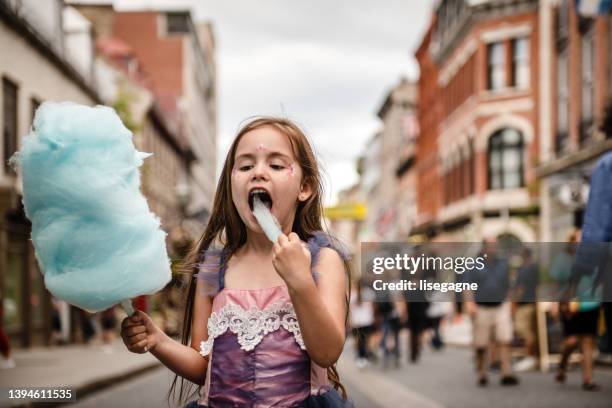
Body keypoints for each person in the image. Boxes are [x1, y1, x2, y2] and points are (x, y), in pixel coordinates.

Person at [120, 117, 353, 407]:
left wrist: (300, 283)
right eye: (245, 166)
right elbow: (203, 364)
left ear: (304, 187)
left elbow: (328, 352)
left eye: (277, 165)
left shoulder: (322, 260)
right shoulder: (212, 268)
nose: (258, 172)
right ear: (231, 184)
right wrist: (158, 341)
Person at [465, 239, 519, 387]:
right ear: (483, 248)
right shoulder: (475, 264)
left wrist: (511, 303)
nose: (493, 248)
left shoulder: (503, 264)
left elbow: (509, 286)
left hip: (500, 307)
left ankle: (506, 372)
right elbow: (468, 286)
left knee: (504, 339)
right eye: (490, 246)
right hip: (481, 308)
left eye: (495, 245)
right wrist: (470, 304)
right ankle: (482, 373)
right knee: (481, 344)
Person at [553, 230, 602, 391]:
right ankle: (562, 364)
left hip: (591, 304)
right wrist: (555, 303)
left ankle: (588, 379)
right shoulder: (563, 259)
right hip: (570, 305)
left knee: (587, 342)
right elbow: (557, 284)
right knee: (571, 341)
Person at [512, 247, 539, 372]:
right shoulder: (534, 268)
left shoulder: (524, 270)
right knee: (529, 330)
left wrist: (514, 304)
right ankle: (532, 357)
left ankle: (530, 357)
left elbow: (519, 289)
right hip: (532, 303)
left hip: (524, 305)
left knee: (523, 330)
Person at [349, 280, 375, 369]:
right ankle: (363, 357)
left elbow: (350, 310)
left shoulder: (352, 294)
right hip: (367, 321)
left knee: (359, 341)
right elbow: (372, 307)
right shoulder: (369, 293)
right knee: (364, 341)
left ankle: (360, 357)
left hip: (357, 322)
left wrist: (350, 321)